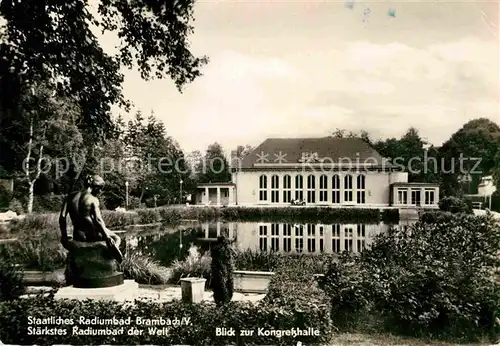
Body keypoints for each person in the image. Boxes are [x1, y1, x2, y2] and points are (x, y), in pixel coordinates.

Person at [59, 174, 122, 263]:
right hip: (93, 233)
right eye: (100, 189)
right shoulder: (93, 199)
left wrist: (64, 236)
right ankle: (109, 255)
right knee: (117, 238)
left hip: (78, 234)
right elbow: (98, 220)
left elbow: (62, 217)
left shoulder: (70, 196)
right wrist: (107, 237)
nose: (100, 192)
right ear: (95, 187)